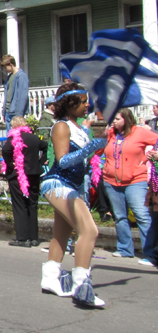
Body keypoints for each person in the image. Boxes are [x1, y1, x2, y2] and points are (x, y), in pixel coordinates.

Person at [39, 82, 106, 307]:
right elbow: (63, 161)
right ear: (70, 104)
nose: (87, 105)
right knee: (89, 230)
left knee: (62, 234)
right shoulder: (61, 126)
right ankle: (81, 285)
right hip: (57, 184)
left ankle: (50, 278)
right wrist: (90, 148)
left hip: (72, 186)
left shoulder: (80, 128)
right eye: (83, 101)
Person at [101, 108, 158, 261]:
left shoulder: (139, 132)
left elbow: (156, 140)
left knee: (142, 215)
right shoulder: (111, 133)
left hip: (135, 180)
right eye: (112, 119)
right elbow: (100, 150)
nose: (114, 122)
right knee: (120, 216)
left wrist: (150, 157)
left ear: (126, 119)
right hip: (111, 181)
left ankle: (151, 252)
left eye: (117, 119)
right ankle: (125, 248)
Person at [2, 116, 48, 247]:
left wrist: (10, 165)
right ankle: (33, 237)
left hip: (18, 175)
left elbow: (5, 150)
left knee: (19, 205)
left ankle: (22, 238)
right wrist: (40, 162)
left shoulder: (13, 139)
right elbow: (47, 147)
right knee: (32, 204)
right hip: (33, 174)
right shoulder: (34, 138)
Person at [1, 54, 29, 129]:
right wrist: (4, 112)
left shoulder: (21, 76)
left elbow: (23, 96)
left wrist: (19, 115)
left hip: (15, 113)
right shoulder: (9, 77)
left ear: (11, 64)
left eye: (5, 67)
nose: (5, 69)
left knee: (16, 137)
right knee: (9, 137)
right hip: (8, 112)